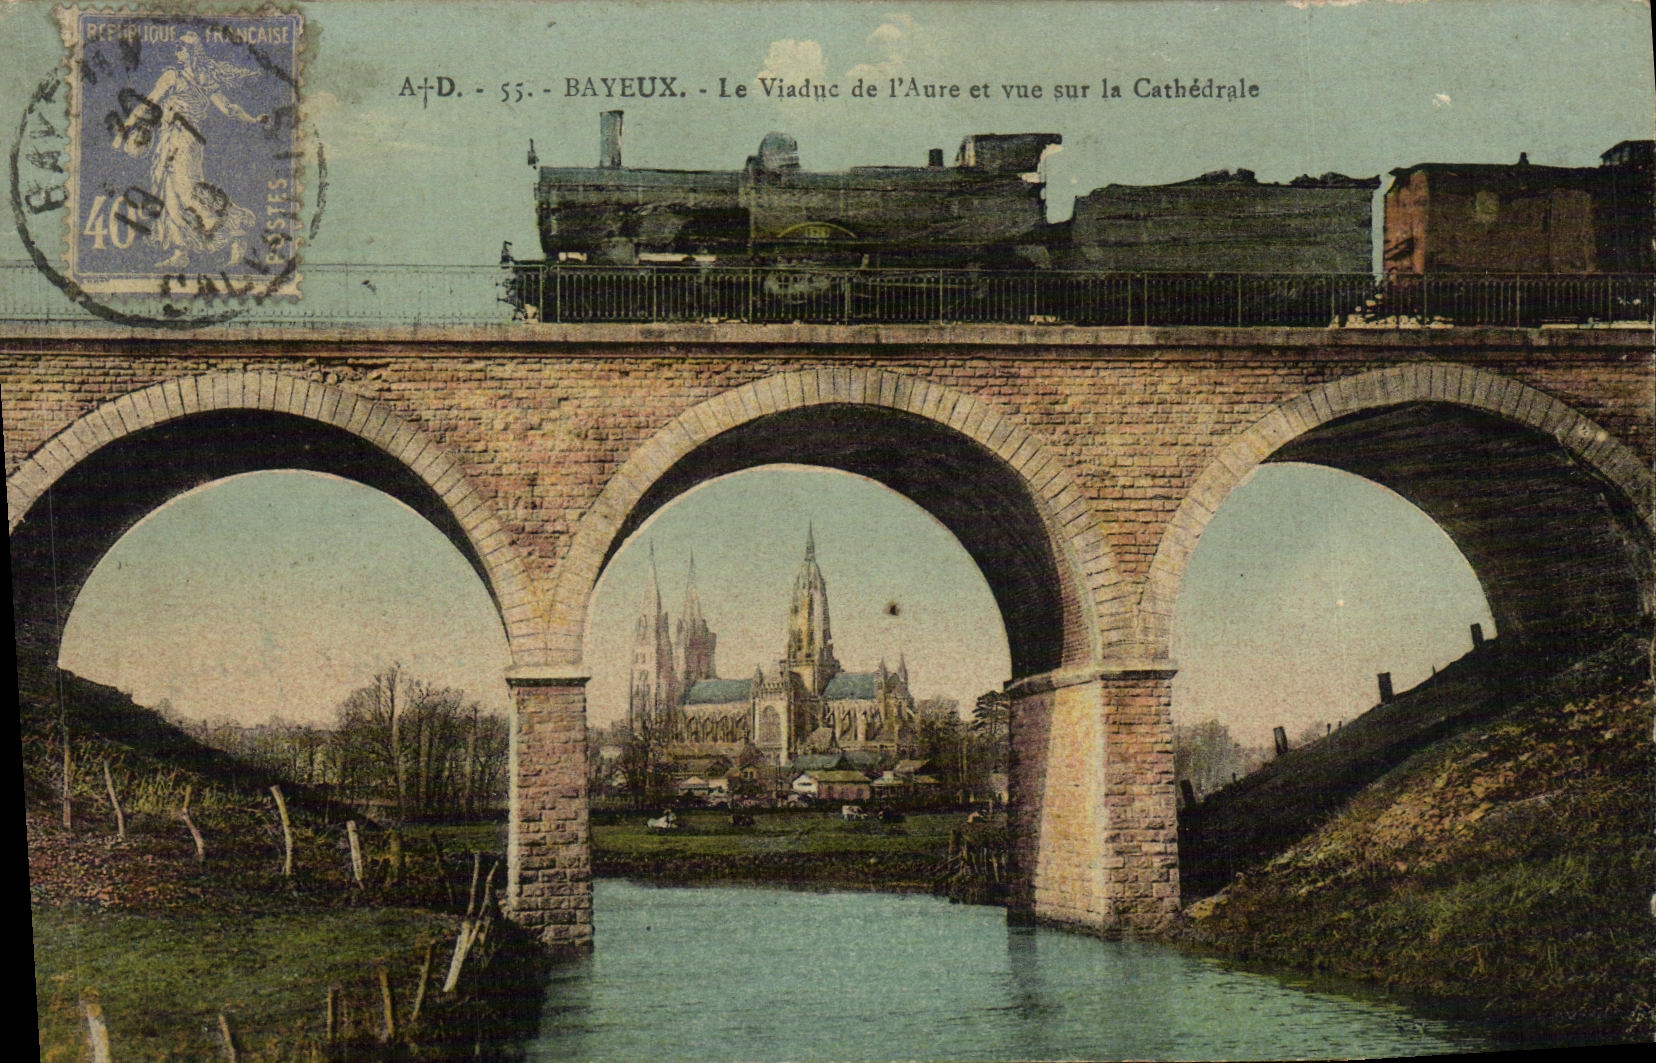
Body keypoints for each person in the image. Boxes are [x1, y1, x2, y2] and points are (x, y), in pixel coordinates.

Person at [114, 32, 265, 269]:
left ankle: (235, 234)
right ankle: (180, 251)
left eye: (181, 49)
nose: (177, 53)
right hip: (168, 141)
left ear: (192, 52)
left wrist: (253, 119)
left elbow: (228, 108)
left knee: (188, 192)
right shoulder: (174, 76)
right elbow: (150, 103)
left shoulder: (197, 79)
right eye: (177, 49)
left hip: (185, 142)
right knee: (169, 196)